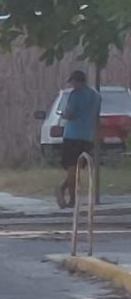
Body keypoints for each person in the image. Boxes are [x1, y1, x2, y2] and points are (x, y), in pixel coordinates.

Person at [56, 70, 101, 208]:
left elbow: (69, 114)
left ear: (77, 81)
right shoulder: (96, 96)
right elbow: (96, 115)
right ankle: (63, 190)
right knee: (77, 169)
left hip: (72, 135)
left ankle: (71, 200)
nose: (72, 85)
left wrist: (62, 114)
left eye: (73, 82)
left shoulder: (75, 95)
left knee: (71, 168)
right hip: (87, 136)